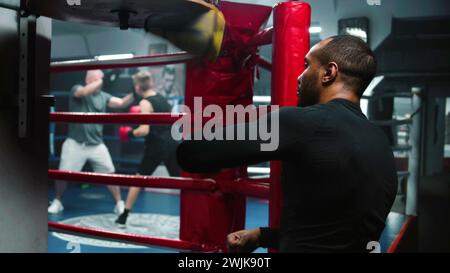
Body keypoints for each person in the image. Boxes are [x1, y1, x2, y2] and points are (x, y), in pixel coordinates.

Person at [176, 35, 398, 252]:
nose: (299, 76)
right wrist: (262, 236)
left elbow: (193, 154)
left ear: (329, 73)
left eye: (306, 65)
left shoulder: (302, 123)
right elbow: (335, 233)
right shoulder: (380, 142)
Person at [48, 70, 135, 214]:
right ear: (89, 80)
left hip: (96, 144)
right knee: (62, 174)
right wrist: (104, 79)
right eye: (98, 78)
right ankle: (58, 201)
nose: (101, 81)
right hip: (76, 143)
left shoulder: (103, 96)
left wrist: (136, 92)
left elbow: (120, 103)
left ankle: (119, 203)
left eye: (101, 78)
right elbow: (82, 92)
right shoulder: (77, 89)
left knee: (110, 173)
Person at [116, 71, 180, 226]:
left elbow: (144, 130)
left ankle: (124, 215)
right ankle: (195, 213)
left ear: (137, 87)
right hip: (173, 141)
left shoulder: (145, 102)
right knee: (181, 181)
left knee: (139, 178)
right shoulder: (163, 99)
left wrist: (130, 132)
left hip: (156, 145)